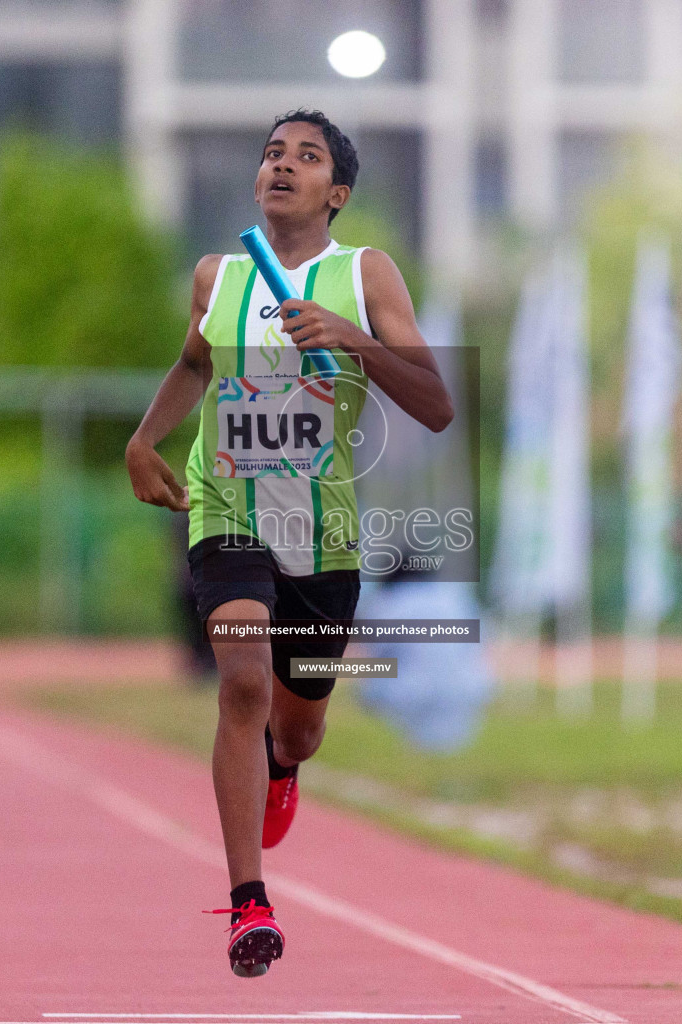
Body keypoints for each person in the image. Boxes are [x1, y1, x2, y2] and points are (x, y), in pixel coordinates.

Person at [126, 109, 454, 978]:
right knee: (241, 682)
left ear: (335, 193)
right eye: (273, 153)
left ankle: (281, 762)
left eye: (305, 158)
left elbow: (436, 402)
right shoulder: (218, 276)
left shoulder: (364, 273)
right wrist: (141, 439)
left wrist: (350, 339)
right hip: (227, 502)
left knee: (299, 727)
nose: (282, 165)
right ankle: (248, 904)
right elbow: (196, 364)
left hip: (322, 526)